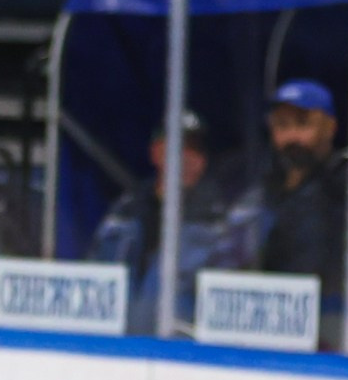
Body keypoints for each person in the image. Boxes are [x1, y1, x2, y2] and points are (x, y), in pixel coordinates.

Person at [87, 110, 263, 334]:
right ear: (155, 152)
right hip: (118, 350)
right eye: (177, 147)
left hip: (182, 355)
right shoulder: (125, 212)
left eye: (195, 150)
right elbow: (95, 279)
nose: (187, 157)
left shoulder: (221, 223)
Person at [252, 78, 348, 325]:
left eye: (303, 123)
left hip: (333, 326)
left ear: (330, 127)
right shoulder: (263, 190)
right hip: (267, 321)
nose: (292, 136)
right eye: (282, 125)